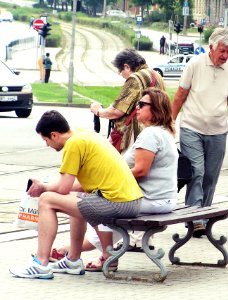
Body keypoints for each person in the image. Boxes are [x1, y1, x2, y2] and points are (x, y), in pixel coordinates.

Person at [49, 88, 179, 271]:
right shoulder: (163, 132)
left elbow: (140, 170)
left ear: (156, 109)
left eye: (142, 104)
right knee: (93, 201)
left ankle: (99, 256)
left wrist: (110, 180)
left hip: (150, 199)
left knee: (98, 207)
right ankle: (69, 251)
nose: (137, 107)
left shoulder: (151, 135)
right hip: (161, 199)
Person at [9, 110, 143, 279]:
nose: (46, 145)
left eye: (46, 140)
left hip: (117, 203)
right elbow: (76, 187)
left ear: (54, 135)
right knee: (74, 200)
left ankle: (40, 263)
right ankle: (73, 260)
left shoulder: (73, 145)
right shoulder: (82, 134)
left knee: (46, 200)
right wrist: (49, 186)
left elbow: (63, 187)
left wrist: (42, 188)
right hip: (129, 201)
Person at [172, 28, 228, 237]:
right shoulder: (194, 65)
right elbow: (180, 95)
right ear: (211, 47)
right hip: (191, 127)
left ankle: (203, 215)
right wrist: (170, 121)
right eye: (222, 50)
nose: (225, 55)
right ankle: (195, 218)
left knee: (210, 175)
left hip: (218, 131)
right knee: (197, 171)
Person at [90, 48, 165, 154]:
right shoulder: (156, 76)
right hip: (157, 132)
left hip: (136, 137)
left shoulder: (135, 78)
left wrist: (98, 111)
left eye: (120, 71)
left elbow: (117, 111)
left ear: (127, 67)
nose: (121, 75)